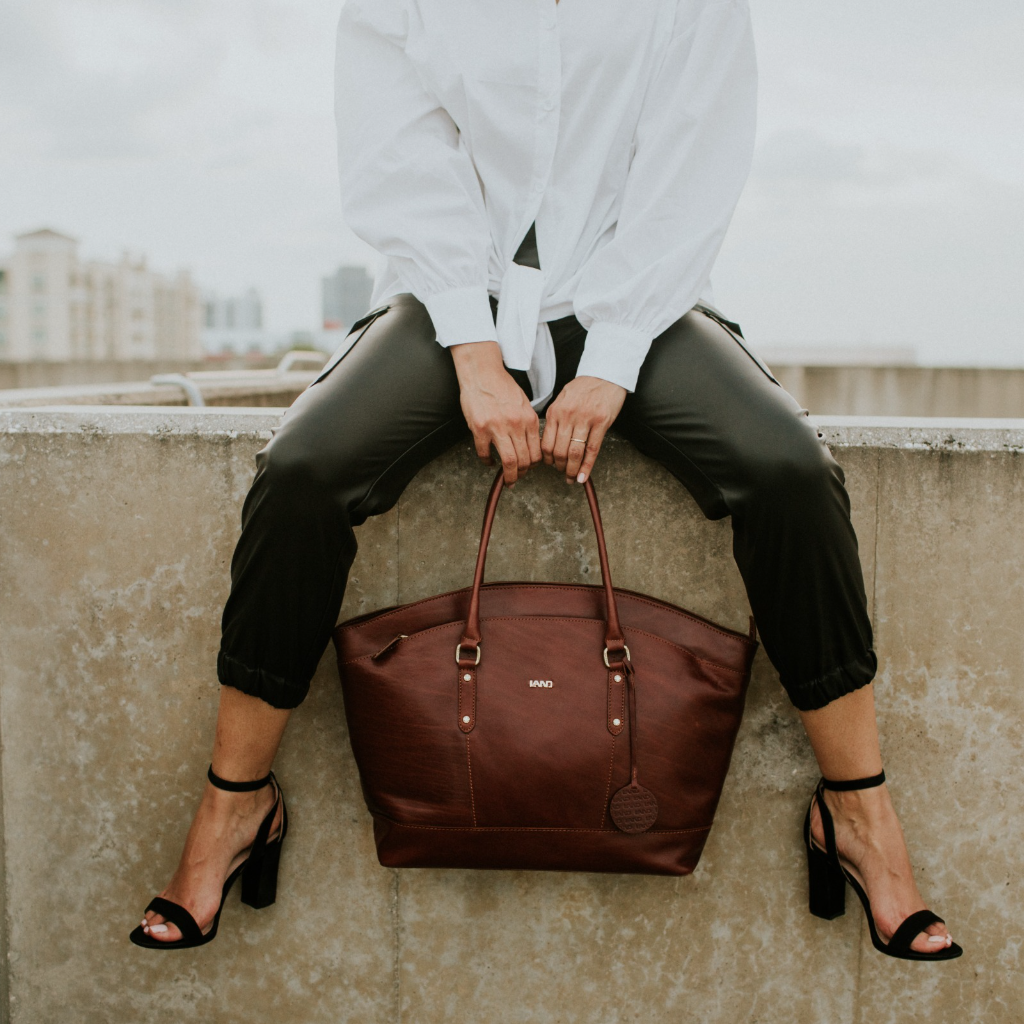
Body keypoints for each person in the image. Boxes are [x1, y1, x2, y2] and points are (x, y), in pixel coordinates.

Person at [130, 0, 960, 960]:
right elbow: (402, 157)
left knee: (790, 474)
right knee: (302, 472)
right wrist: (472, 347)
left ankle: (857, 812)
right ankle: (236, 803)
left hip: (637, 298)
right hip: (453, 296)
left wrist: (612, 357)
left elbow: (689, 166)